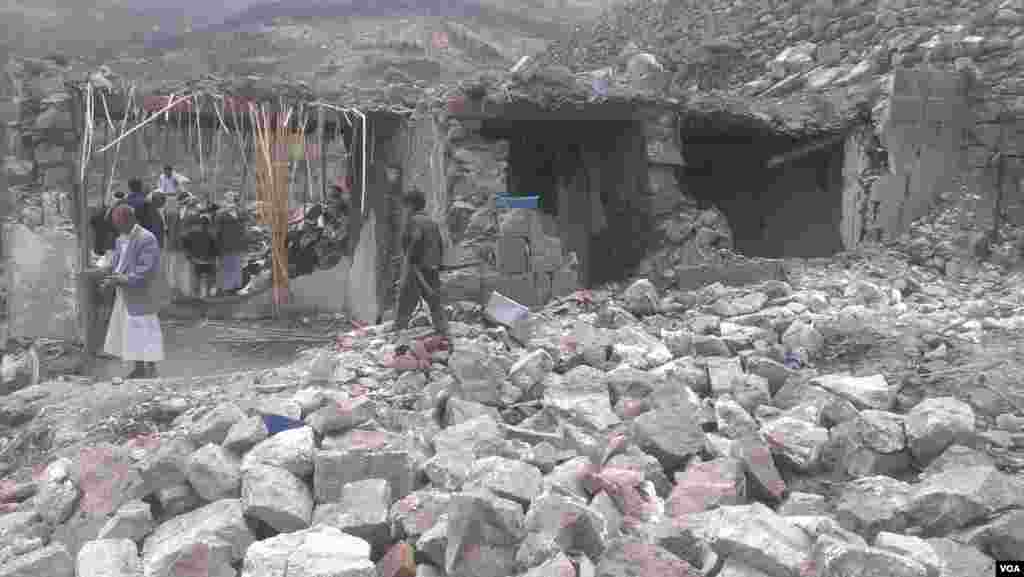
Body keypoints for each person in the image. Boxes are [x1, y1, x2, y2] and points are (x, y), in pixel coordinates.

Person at [100, 204, 165, 379]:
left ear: (130, 220)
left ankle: (151, 368)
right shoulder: (120, 238)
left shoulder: (147, 238)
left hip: (142, 292)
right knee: (131, 331)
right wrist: (109, 276)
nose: (117, 228)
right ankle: (138, 368)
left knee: (146, 328)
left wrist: (123, 279)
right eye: (116, 225)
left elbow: (147, 268)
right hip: (125, 292)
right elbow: (117, 263)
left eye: (119, 224)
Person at [393, 188, 448, 335]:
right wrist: (438, 264)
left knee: (405, 305)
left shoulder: (413, 222)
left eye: (404, 206)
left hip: (416, 272)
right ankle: (443, 334)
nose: (403, 210)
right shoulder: (431, 222)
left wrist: (409, 269)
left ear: (410, 205)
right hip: (432, 270)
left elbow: (413, 247)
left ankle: (399, 336)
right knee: (435, 305)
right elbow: (440, 245)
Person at [215, 192, 247, 295]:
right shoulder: (221, 213)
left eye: (232, 196)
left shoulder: (238, 211)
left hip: (237, 243)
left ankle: (236, 287)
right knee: (227, 266)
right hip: (225, 244)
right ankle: (226, 289)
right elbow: (217, 223)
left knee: (237, 265)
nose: (230, 198)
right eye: (228, 197)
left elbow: (244, 219)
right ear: (225, 199)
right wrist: (226, 210)